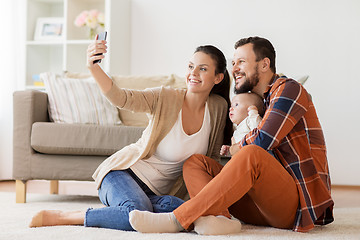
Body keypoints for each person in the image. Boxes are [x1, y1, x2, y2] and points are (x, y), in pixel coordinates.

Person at [128, 36, 334, 234]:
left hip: (294, 206)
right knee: (196, 163)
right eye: (233, 62)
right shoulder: (259, 102)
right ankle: (219, 220)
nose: (234, 68)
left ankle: (178, 219)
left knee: (252, 153)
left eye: (241, 62)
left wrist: (238, 147)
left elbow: (264, 141)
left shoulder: (289, 89)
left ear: (264, 64)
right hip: (257, 206)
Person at [29, 37, 235, 231]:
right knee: (139, 212)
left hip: (158, 194)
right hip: (121, 174)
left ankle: (131, 212)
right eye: (191, 67)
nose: (193, 73)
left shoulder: (218, 107)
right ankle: (66, 217)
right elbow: (122, 98)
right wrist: (93, 67)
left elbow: (211, 158)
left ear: (218, 77)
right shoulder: (165, 97)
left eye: (203, 69)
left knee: (185, 212)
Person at [220, 92, 264, 157]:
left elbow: (258, 132)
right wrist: (229, 150)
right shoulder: (237, 130)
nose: (231, 108)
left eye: (236, 104)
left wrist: (253, 114)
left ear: (251, 108)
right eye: (231, 106)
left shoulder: (250, 120)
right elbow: (236, 151)